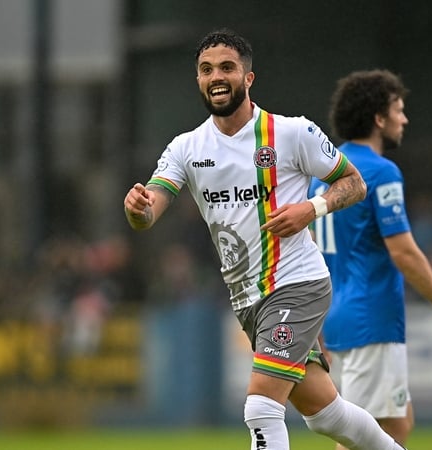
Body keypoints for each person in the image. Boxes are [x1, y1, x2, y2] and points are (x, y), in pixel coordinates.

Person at [124, 29, 407, 450]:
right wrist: (139, 209)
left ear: (248, 78)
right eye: (206, 70)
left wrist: (311, 209)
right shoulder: (186, 148)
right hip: (248, 301)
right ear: (198, 80)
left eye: (226, 67)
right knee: (327, 415)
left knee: (260, 407)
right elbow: (150, 211)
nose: (216, 76)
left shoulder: (291, 133)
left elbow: (355, 184)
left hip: (298, 284)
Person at [308, 69, 432, 448]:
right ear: (379, 118)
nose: (404, 119)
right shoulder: (380, 171)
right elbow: (404, 252)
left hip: (338, 315)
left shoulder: (324, 173)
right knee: (365, 436)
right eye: (399, 109)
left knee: (397, 421)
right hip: (372, 318)